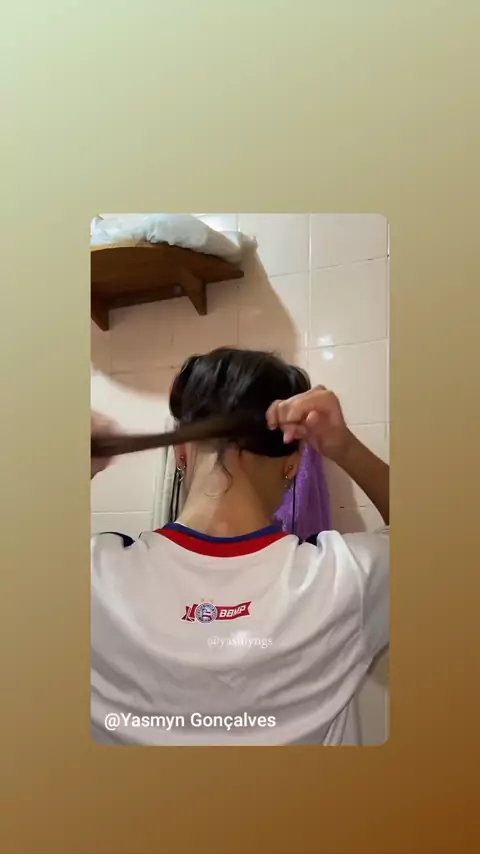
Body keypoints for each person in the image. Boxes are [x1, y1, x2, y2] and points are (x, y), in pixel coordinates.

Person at [91, 347, 389, 745]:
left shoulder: (95, 576)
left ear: (180, 452)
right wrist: (345, 447)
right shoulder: (345, 579)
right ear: (293, 463)